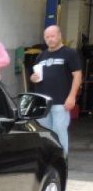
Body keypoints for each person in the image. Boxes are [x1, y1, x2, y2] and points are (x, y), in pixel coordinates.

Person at [30, 25, 82, 157]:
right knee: (45, 133)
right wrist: (33, 77)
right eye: (47, 37)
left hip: (61, 101)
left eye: (52, 36)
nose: (49, 39)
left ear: (59, 35)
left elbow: (77, 75)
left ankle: (61, 160)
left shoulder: (69, 53)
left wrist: (72, 97)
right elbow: (33, 75)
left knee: (59, 131)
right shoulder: (41, 55)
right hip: (43, 103)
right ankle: (49, 160)